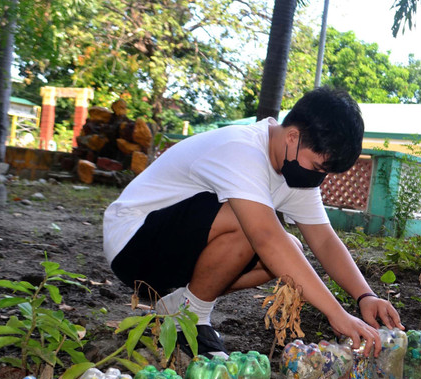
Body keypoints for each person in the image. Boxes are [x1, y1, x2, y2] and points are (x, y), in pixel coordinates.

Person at [103, 87, 403, 357]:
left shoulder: (294, 172)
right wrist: (336, 314)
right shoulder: (242, 149)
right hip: (132, 243)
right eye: (317, 167)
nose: (318, 179)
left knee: (290, 247)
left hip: (169, 254)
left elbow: (325, 241)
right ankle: (191, 319)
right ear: (293, 137)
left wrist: (365, 296)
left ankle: (179, 306)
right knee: (256, 226)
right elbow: (265, 237)